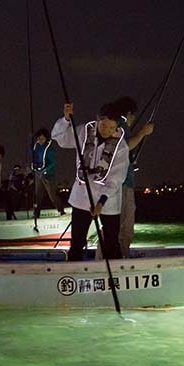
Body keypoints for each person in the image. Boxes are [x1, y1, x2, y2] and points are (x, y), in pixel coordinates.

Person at [51, 102, 130, 261]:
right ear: (97, 120)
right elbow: (60, 138)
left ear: (116, 127)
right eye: (103, 125)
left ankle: (114, 273)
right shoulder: (83, 132)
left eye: (110, 127)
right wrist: (66, 119)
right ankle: (73, 272)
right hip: (82, 197)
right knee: (77, 241)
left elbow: (116, 178)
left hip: (107, 202)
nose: (106, 130)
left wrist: (101, 201)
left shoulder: (121, 147)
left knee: (111, 241)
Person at [109, 97, 154, 257]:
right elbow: (125, 146)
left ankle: (120, 257)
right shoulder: (120, 123)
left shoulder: (116, 124)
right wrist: (143, 132)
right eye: (133, 116)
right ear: (128, 113)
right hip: (122, 185)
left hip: (122, 183)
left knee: (121, 227)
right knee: (121, 227)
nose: (133, 119)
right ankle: (110, 261)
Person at [31, 128, 65, 218]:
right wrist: (34, 166)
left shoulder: (49, 149)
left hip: (49, 175)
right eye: (38, 139)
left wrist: (45, 170)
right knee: (38, 195)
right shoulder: (36, 147)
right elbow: (34, 158)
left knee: (52, 195)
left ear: (46, 138)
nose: (40, 141)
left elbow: (52, 163)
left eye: (42, 139)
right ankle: (36, 213)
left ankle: (61, 210)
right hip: (38, 174)